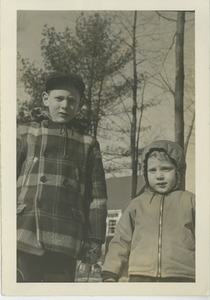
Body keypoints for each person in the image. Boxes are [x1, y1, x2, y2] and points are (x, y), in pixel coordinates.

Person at [17, 72, 107, 282]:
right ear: (46, 99)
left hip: (66, 234)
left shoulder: (88, 143)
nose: (65, 105)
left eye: (71, 100)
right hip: (24, 228)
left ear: (80, 104)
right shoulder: (25, 133)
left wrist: (95, 239)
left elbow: (97, 197)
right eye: (59, 99)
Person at [101, 140, 195, 282]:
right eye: (152, 170)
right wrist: (110, 272)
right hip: (140, 275)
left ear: (178, 170)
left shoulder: (190, 202)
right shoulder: (137, 205)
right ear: (145, 173)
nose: (159, 176)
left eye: (166, 169)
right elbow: (121, 240)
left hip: (182, 275)